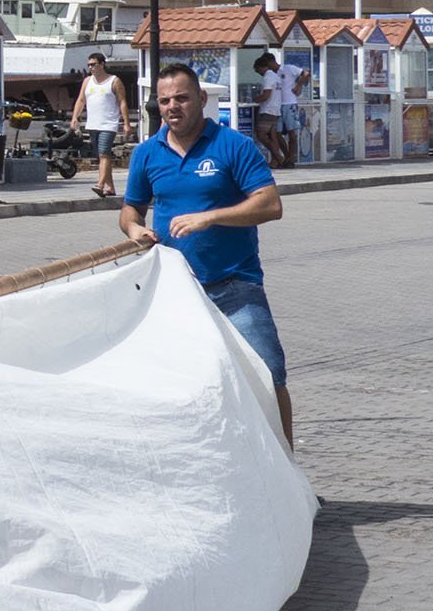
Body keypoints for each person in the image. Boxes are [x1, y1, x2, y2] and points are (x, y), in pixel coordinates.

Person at [120, 63, 293, 448]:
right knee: (177, 383)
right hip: (175, 293)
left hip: (235, 288)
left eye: (181, 98)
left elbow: (270, 205)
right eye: (164, 101)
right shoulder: (147, 154)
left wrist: (209, 218)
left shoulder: (234, 146)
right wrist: (135, 229)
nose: (172, 107)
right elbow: (130, 209)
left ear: (201, 99)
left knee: (268, 375)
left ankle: (290, 477)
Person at [69, 52, 130, 198]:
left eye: (93, 64)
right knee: (102, 156)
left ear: (102, 64)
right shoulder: (87, 81)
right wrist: (74, 117)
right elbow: (81, 100)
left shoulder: (114, 81)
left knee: (104, 154)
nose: (91, 67)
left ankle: (100, 184)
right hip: (93, 123)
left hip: (108, 124)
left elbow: (122, 102)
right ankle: (110, 187)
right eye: (89, 65)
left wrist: (126, 123)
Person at [258, 52, 309, 169]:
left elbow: (305, 73)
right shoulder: (272, 75)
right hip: (277, 105)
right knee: (277, 133)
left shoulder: (288, 68)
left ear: (271, 62)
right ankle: (285, 156)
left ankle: (291, 158)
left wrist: (298, 86)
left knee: (291, 132)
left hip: (289, 103)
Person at [252, 53, 291, 168]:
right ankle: (275, 161)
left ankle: (279, 157)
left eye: (257, 70)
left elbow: (266, 95)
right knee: (273, 136)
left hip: (268, 110)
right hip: (276, 110)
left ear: (261, 67)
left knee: (261, 136)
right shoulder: (276, 76)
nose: (258, 72)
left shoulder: (268, 77)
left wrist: (256, 99)